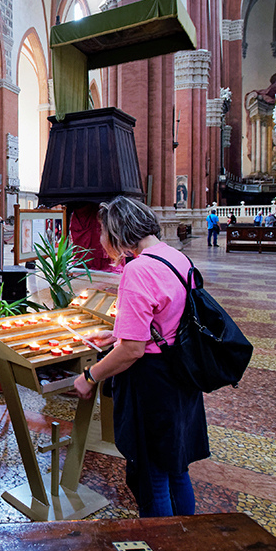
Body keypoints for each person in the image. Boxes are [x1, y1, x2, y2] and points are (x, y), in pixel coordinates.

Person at [73, 196, 209, 517]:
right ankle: (184, 539)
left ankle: (159, 548)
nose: (102, 239)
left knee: (154, 478)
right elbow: (166, 320)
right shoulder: (176, 257)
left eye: (104, 232)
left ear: (118, 233)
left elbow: (134, 350)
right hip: (182, 374)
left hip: (153, 383)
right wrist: (119, 334)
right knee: (177, 469)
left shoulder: (138, 270)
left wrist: (90, 376)